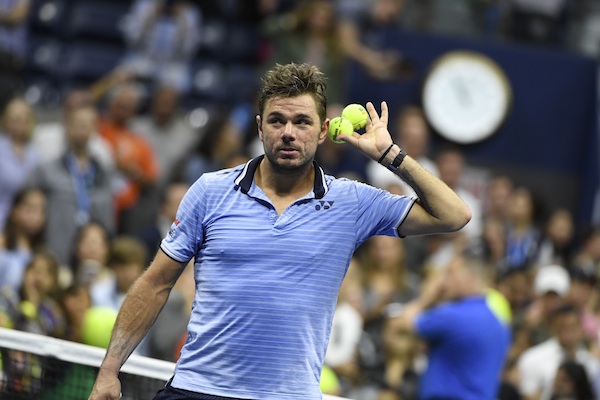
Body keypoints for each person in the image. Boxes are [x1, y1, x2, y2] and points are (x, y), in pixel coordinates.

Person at [88, 62, 471, 400]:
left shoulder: (352, 201)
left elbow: (453, 216)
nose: (288, 132)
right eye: (276, 121)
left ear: (323, 131)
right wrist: (108, 370)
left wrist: (390, 155)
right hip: (198, 389)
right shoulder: (209, 191)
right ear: (260, 127)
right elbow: (155, 283)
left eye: (302, 122)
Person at [390, 252, 511, 400]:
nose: (445, 282)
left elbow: (402, 323)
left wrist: (427, 296)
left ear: (470, 279)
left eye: (451, 275)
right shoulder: (499, 324)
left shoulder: (453, 315)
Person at [26, 104, 116, 267]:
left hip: (91, 256)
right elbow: (27, 204)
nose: (82, 128)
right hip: (56, 250)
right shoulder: (47, 170)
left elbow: (108, 216)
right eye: (78, 123)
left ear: (94, 130)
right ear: (67, 128)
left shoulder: (102, 173)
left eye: (87, 124)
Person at [517, 303, 600, 400]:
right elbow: (527, 395)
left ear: (581, 328)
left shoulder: (592, 364)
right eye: (562, 327)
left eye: (572, 327)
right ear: (553, 327)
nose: (568, 333)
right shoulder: (532, 359)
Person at [0, 97, 38, 231]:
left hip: (26, 224)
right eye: (13, 119)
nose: (17, 124)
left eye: (21, 119)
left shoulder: (34, 152)